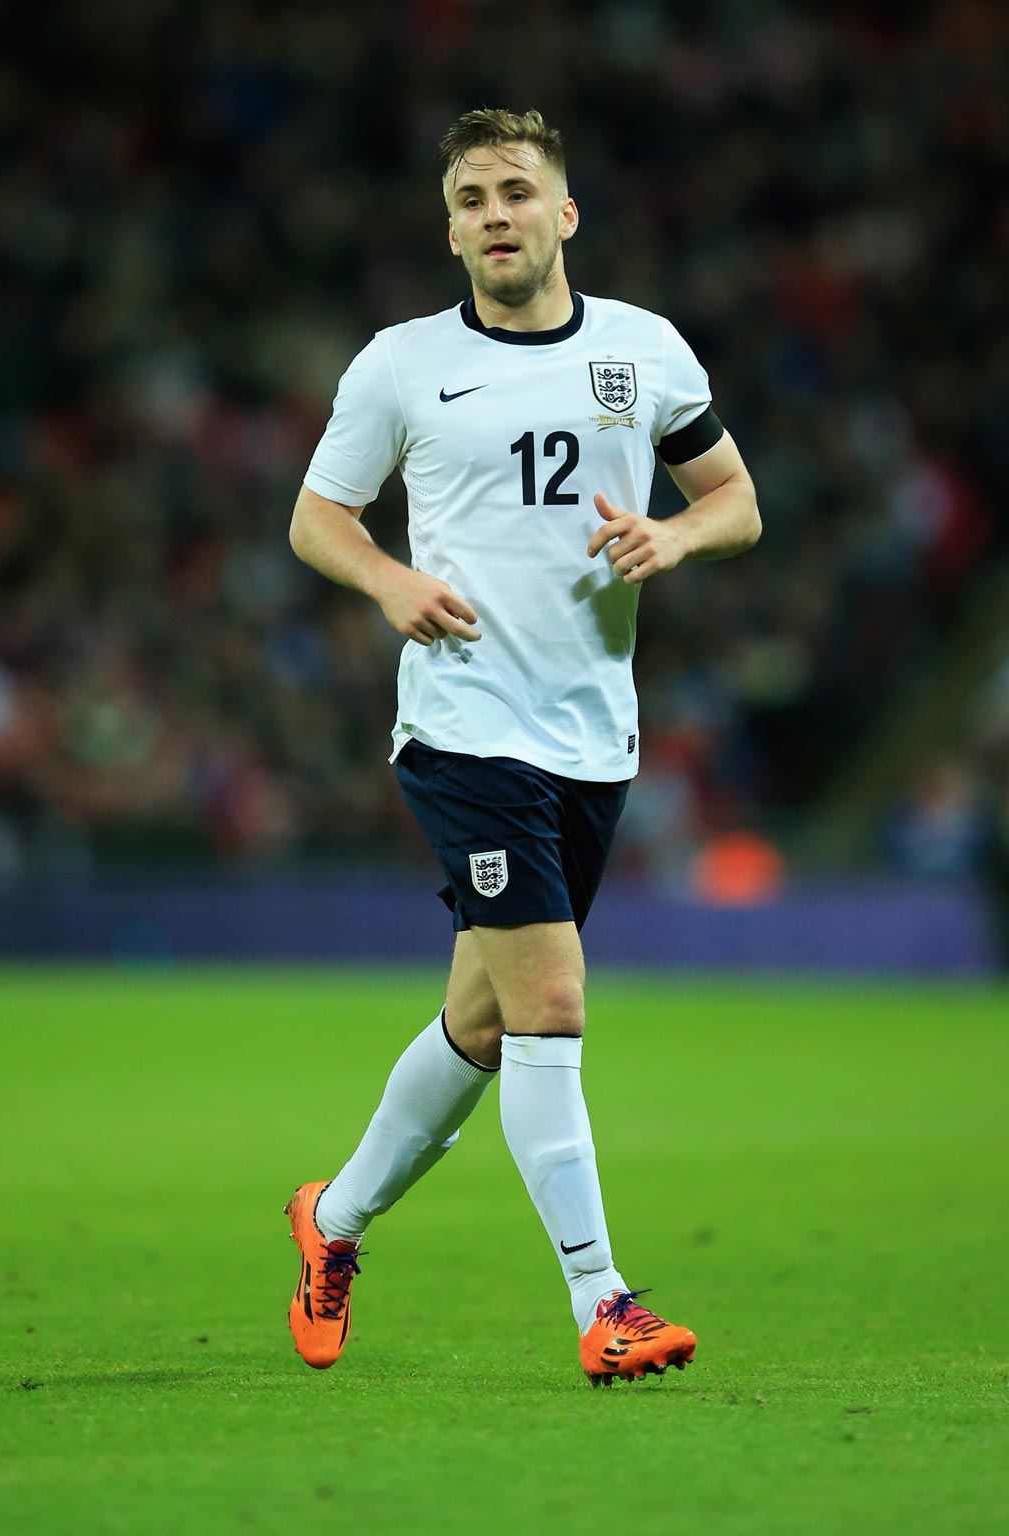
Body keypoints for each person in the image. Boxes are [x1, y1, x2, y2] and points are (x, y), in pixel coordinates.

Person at [281, 110, 759, 1385]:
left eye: (516, 190)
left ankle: (328, 1223)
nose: (494, 212)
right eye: (471, 197)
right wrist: (385, 581)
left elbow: (735, 502)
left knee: (482, 1025)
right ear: (448, 230)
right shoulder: (398, 364)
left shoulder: (640, 350)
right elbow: (315, 518)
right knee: (550, 1006)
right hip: (462, 725)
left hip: (592, 734)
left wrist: (673, 538)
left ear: (563, 214)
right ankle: (602, 1303)